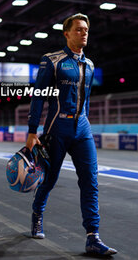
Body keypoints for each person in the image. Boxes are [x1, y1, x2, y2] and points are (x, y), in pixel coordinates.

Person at [26, 13, 117, 256]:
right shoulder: (51, 61)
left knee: (90, 181)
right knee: (50, 179)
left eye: (86, 29)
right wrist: (32, 131)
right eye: (78, 29)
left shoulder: (90, 65)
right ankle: (37, 214)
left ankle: (93, 237)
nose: (83, 32)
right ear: (66, 34)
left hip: (82, 128)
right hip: (57, 128)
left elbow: (85, 101)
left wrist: (84, 122)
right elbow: (38, 97)